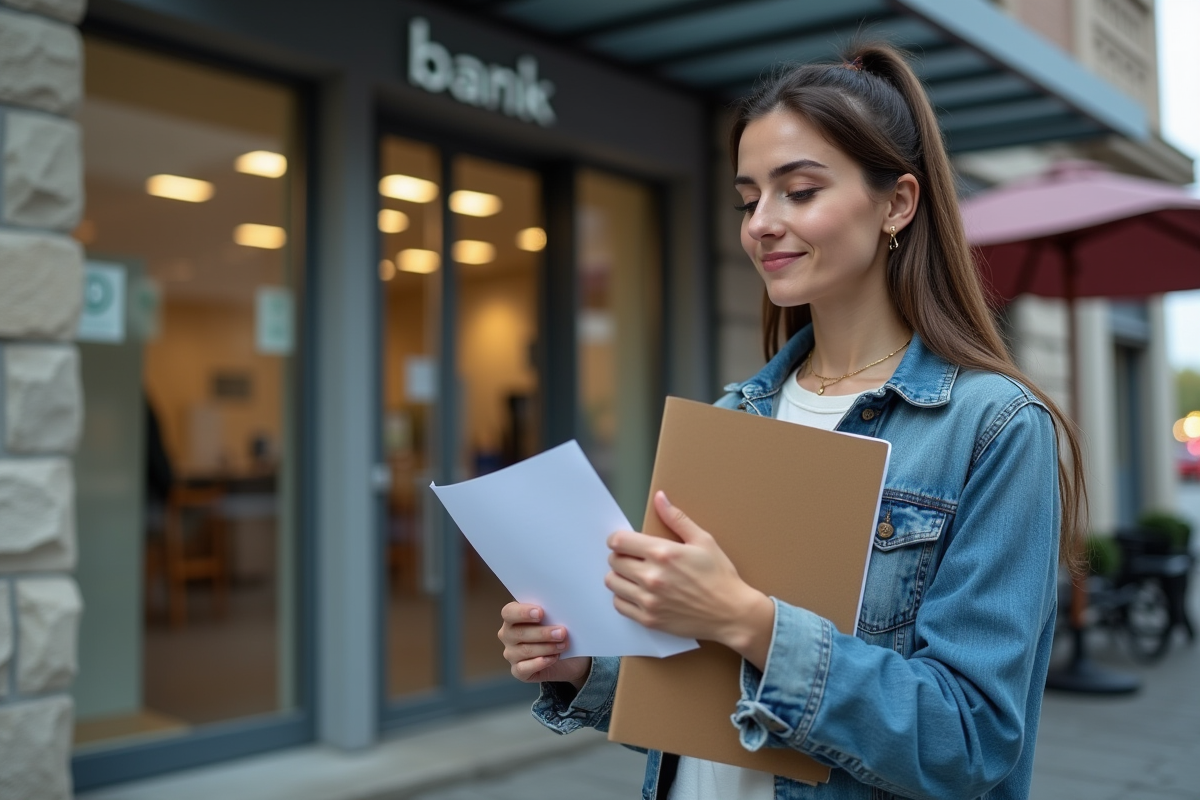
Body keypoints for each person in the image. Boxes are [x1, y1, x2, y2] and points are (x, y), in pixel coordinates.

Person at [498, 42, 1084, 800]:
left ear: (898, 204)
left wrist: (751, 621)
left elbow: (969, 741)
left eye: (799, 191)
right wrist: (583, 664)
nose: (762, 225)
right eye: (749, 200)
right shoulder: (736, 413)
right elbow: (704, 710)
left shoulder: (994, 428)